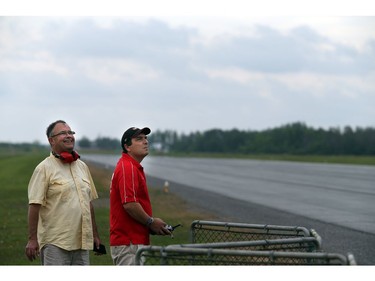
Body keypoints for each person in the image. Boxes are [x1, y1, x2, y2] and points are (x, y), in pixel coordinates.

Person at [25, 120, 102, 265]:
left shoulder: (82, 166)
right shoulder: (43, 168)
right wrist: (32, 239)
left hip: (82, 243)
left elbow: (88, 204)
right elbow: (34, 205)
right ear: (51, 140)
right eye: (63, 133)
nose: (69, 136)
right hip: (55, 244)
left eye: (70, 132)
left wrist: (95, 235)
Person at [109, 126, 171, 265]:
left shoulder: (132, 166)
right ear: (127, 146)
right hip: (129, 241)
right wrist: (151, 222)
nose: (145, 142)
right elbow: (129, 204)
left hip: (132, 241)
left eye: (145, 138)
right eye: (139, 139)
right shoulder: (128, 167)